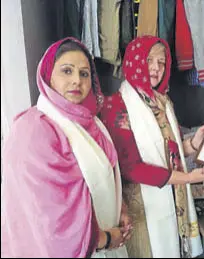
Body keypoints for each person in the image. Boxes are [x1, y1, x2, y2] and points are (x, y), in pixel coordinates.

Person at [1, 37, 132, 258]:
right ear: (48, 75)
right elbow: (48, 218)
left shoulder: (91, 122)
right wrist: (105, 239)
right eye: (66, 71)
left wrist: (121, 207)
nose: (76, 81)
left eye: (84, 74)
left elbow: (104, 175)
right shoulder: (34, 129)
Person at [100, 35, 204, 258]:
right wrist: (188, 178)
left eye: (161, 62)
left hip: (173, 200)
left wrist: (193, 143)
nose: (156, 68)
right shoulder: (117, 106)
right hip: (142, 209)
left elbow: (171, 152)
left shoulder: (163, 102)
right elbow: (132, 168)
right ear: (134, 61)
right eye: (149, 60)